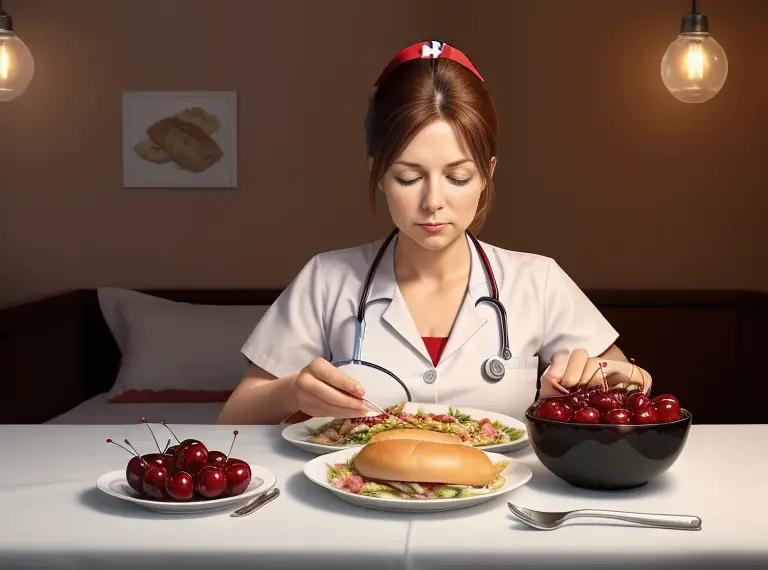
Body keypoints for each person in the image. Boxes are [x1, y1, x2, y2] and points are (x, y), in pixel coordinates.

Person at [216, 41, 651, 426]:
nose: (433, 201)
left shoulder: (538, 280)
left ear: (487, 175)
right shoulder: (326, 278)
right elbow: (233, 418)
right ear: (379, 175)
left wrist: (624, 377)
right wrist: (293, 391)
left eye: (458, 177)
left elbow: (629, 388)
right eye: (408, 178)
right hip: (360, 505)